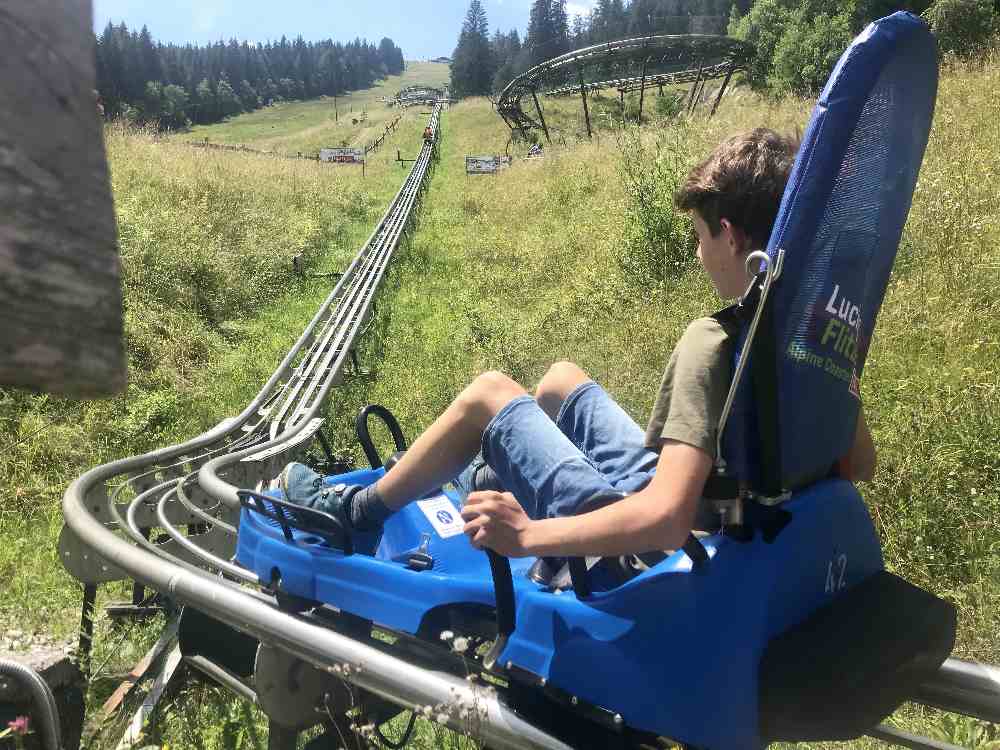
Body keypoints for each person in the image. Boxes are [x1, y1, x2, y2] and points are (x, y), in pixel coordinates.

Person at [278, 128, 876, 559]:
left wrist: (528, 537)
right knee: (560, 380)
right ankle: (480, 478)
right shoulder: (812, 336)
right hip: (726, 510)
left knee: (490, 393)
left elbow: (664, 522)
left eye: (699, 236)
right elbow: (860, 464)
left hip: (654, 540)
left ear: (728, 234)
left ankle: (353, 516)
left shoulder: (714, 342)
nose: (697, 255)